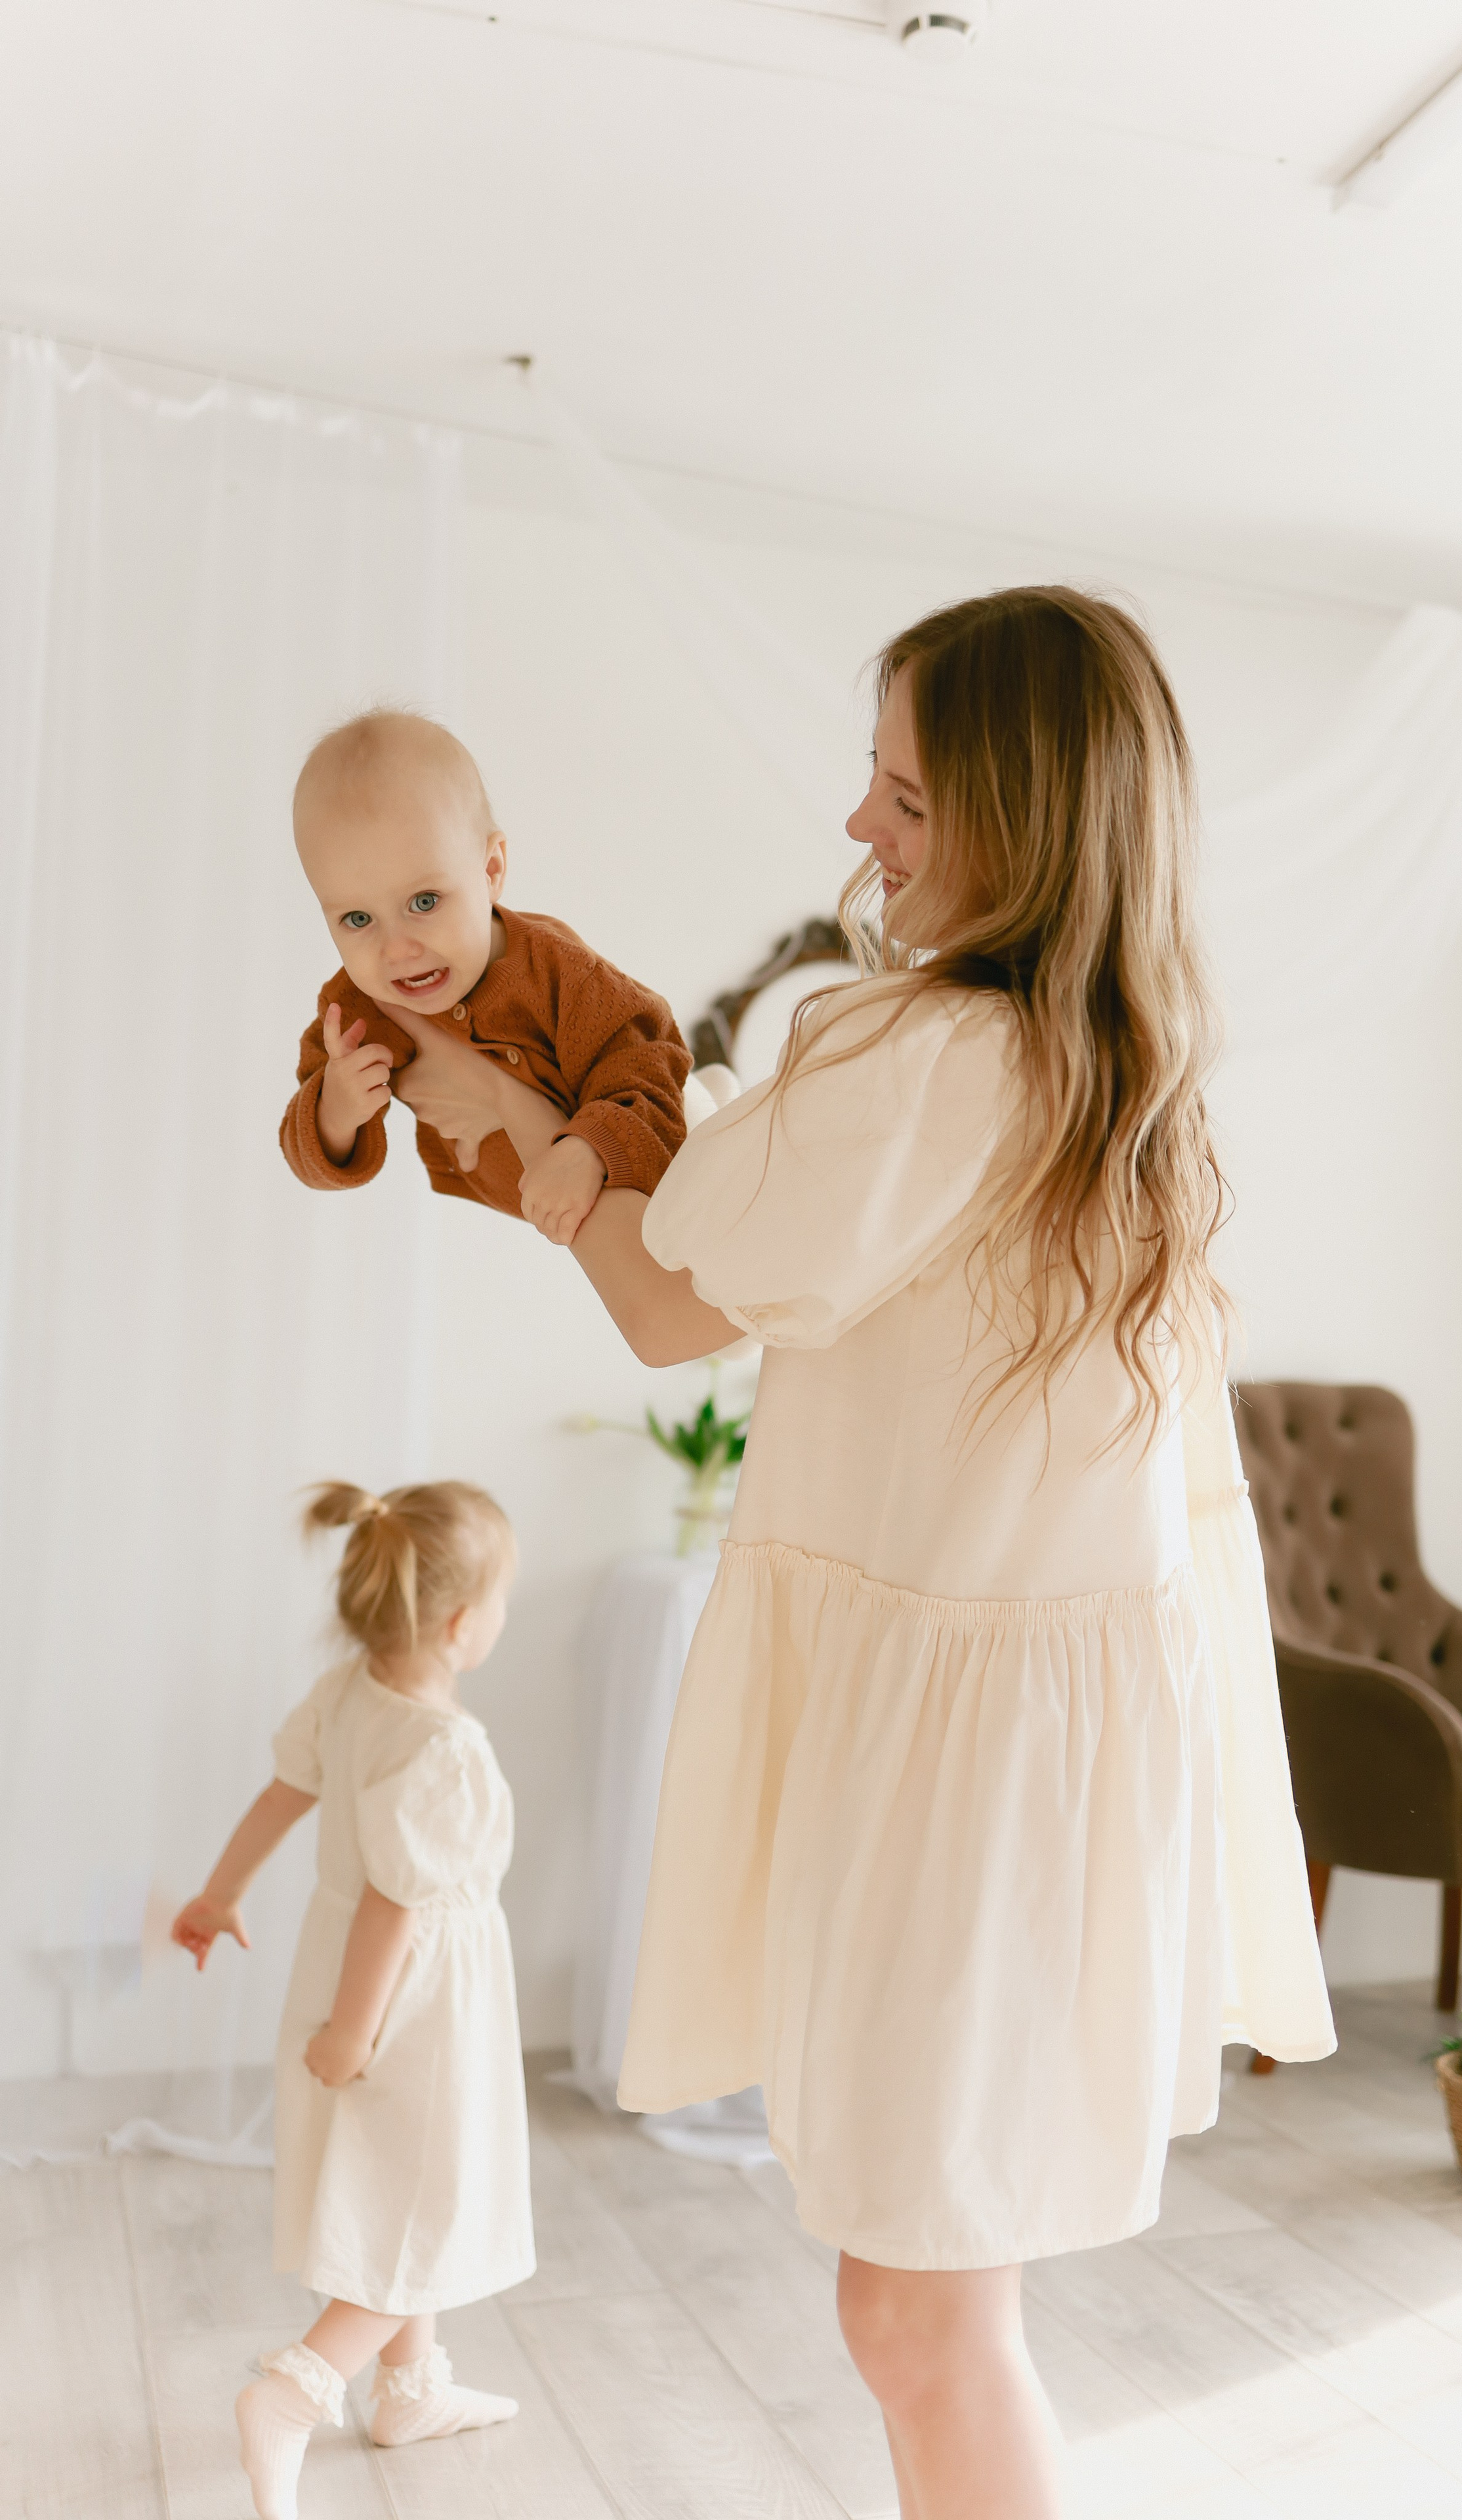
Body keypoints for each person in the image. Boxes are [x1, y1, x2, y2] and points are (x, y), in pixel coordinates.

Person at [392, 587, 1335, 2520]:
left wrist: (521, 1124)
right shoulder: (1113, 1076)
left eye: (902, 796)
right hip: (1039, 1769)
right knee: (926, 2301)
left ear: (1020, 822)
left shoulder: (920, 1053)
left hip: (963, 1784)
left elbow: (669, 1302)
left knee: (916, 2313)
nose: (858, 828)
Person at [170, 1479, 533, 2520]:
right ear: (460, 1625)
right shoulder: (448, 1749)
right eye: (503, 1601)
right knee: (428, 2202)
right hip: (411, 2000)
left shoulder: (348, 1693)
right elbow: (394, 1903)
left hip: (346, 1967)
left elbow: (282, 1795)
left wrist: (219, 1894)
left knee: (394, 2186)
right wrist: (355, 2032)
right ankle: (295, 2393)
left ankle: (410, 2390)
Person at [280, 709, 690, 1247]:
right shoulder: (354, 1013)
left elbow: (652, 1063)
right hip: (586, 1233)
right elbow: (304, 1157)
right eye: (358, 919)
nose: (397, 950)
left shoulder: (559, 971)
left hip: (681, 1169)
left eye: (424, 902)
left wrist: (589, 1150)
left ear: (491, 870)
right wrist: (334, 1110)